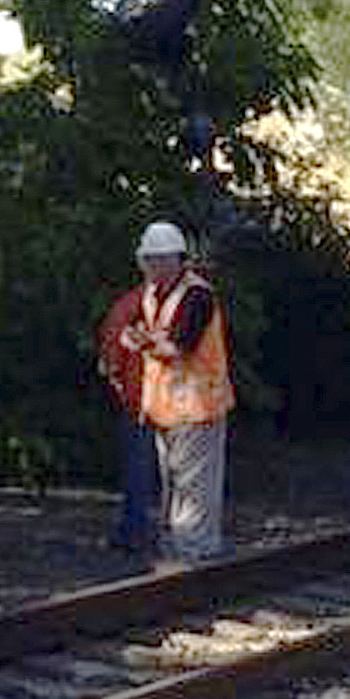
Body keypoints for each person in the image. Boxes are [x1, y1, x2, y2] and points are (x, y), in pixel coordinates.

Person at [130, 221, 235, 564]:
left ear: (177, 260)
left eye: (159, 260)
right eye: (149, 260)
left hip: (197, 404)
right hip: (167, 406)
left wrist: (144, 342)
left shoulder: (197, 294)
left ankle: (195, 552)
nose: (153, 267)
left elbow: (180, 345)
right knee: (174, 483)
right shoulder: (153, 293)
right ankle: (180, 548)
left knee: (194, 487)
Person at [95, 276, 162, 557]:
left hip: (139, 401)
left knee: (138, 469)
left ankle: (133, 532)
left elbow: (110, 354)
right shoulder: (177, 304)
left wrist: (118, 382)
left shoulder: (128, 304)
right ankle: (160, 533)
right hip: (170, 401)